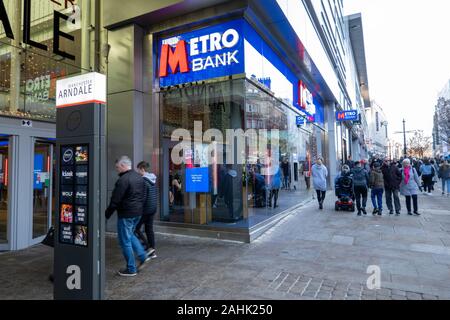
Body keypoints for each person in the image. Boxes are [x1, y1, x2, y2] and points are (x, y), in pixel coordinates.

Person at [105, 156, 151, 277]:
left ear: (123, 165)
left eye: (117, 167)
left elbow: (115, 199)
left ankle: (131, 269)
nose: (117, 169)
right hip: (137, 213)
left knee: (124, 241)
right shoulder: (139, 178)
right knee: (130, 234)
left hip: (126, 214)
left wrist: (107, 214)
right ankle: (142, 255)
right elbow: (144, 196)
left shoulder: (123, 180)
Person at [135, 161, 158, 258]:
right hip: (153, 208)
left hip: (145, 209)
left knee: (135, 229)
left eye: (138, 170)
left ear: (142, 169)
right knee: (149, 230)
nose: (138, 172)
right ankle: (152, 251)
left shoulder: (143, 181)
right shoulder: (152, 179)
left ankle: (148, 248)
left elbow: (143, 198)